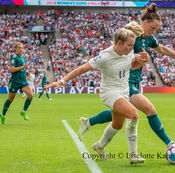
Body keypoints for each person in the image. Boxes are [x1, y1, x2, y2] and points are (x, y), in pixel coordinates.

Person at [78, 3, 175, 164]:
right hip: (125, 82)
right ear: (144, 23)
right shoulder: (131, 37)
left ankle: (93, 132)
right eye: (152, 28)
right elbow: (120, 58)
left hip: (134, 82)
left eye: (156, 29)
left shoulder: (149, 39)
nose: (154, 32)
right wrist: (139, 61)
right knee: (147, 110)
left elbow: (162, 49)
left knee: (120, 118)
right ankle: (168, 143)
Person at [46, 28, 149, 160]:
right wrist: (62, 81)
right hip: (110, 93)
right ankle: (133, 155)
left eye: (132, 45)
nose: (131, 48)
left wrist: (141, 61)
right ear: (118, 43)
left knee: (117, 125)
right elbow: (81, 69)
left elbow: (131, 65)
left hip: (124, 92)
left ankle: (99, 146)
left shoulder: (129, 53)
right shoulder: (105, 57)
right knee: (134, 115)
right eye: (129, 45)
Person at [0, 42, 33, 124]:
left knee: (31, 95)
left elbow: (22, 68)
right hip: (15, 81)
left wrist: (25, 72)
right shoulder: (14, 58)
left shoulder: (24, 57)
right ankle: (3, 115)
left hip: (23, 81)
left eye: (22, 48)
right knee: (10, 99)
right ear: (16, 49)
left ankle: (23, 111)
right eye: (19, 48)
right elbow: (11, 70)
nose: (21, 49)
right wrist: (23, 67)